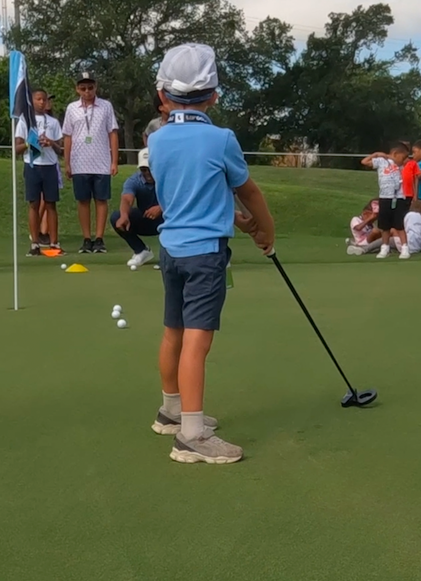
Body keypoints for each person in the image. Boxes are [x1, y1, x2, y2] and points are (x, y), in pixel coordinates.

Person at [149, 43, 276, 465]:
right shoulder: (222, 139)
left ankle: (171, 411)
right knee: (197, 343)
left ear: (163, 96)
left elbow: (191, 191)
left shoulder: (157, 139)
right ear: (215, 95)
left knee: (174, 332)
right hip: (205, 255)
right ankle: (191, 436)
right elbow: (247, 190)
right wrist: (265, 230)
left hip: (170, 249)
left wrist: (235, 220)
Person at [62, 72, 119, 254]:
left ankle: (100, 238)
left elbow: (113, 133)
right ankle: (87, 238)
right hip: (79, 162)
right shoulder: (72, 108)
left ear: (96, 87)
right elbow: (68, 136)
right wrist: (67, 162)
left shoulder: (105, 106)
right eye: (83, 88)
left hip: (101, 161)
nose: (87, 91)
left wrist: (114, 161)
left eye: (90, 87)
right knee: (83, 200)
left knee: (101, 200)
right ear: (77, 89)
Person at [15, 89, 63, 257]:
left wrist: (50, 143)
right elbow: (17, 148)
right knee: (34, 204)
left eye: (44, 100)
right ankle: (35, 244)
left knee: (51, 204)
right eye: (38, 99)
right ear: (32, 101)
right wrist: (31, 144)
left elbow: (60, 149)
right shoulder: (25, 121)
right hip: (32, 165)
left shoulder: (54, 122)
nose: (42, 102)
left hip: (49, 165)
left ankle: (54, 243)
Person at [111, 148, 163, 267]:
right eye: (144, 169)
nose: (147, 173)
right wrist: (124, 216)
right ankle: (141, 251)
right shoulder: (134, 180)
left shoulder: (168, 178)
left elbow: (178, 201)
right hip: (146, 219)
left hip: (168, 218)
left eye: (150, 169)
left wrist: (160, 208)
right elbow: (127, 198)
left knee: (173, 216)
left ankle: (167, 257)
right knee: (117, 217)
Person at [361, 143, 412, 259]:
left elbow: (403, 162)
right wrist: (376, 154)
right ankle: (385, 247)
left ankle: (405, 248)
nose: (404, 160)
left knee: (399, 224)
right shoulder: (381, 161)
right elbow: (364, 162)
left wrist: (390, 157)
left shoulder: (401, 165)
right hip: (385, 197)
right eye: (402, 157)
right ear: (395, 153)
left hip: (398, 197)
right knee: (385, 225)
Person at [37, 93, 63, 251]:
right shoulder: (32, 119)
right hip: (38, 163)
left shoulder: (53, 121)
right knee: (40, 200)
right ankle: (37, 231)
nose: (47, 103)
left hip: (51, 163)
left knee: (49, 201)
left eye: (49, 100)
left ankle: (45, 231)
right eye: (44, 100)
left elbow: (59, 146)